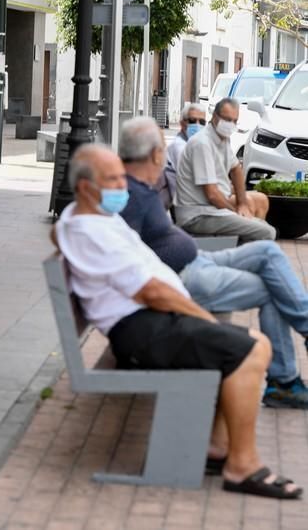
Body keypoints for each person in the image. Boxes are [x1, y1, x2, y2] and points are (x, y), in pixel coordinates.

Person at [55, 144, 301, 499]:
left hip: (149, 320)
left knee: (248, 346)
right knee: (250, 350)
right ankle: (242, 466)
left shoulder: (93, 218)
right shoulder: (87, 229)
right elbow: (151, 291)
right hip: (141, 329)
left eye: (121, 178)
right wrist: (205, 321)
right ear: (84, 188)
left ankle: (217, 448)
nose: (121, 187)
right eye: (112, 180)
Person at [120, 116, 308, 409]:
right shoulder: (129, 195)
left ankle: (304, 334)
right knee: (273, 288)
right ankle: (284, 383)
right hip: (183, 277)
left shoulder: (140, 187)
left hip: (198, 259)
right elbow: (127, 258)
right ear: (155, 153)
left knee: (268, 253)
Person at [175, 97, 276, 242]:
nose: (231, 125)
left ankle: (243, 257)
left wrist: (242, 204)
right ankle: (238, 259)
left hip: (214, 211)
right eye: (227, 120)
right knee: (266, 232)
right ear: (215, 117)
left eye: (235, 121)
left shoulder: (223, 138)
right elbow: (213, 195)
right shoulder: (202, 143)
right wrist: (235, 212)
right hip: (198, 215)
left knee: (259, 221)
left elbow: (236, 170)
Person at [163, 102, 207, 207]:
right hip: (190, 206)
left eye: (202, 122)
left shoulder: (195, 145)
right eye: (192, 121)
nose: (197, 125)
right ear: (182, 123)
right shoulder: (179, 147)